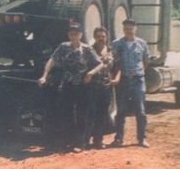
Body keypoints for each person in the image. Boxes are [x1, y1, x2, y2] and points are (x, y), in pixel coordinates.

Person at [38, 22, 103, 152]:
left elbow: (100, 64)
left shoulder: (87, 49)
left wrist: (90, 73)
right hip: (67, 84)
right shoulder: (63, 47)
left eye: (76, 33)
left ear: (81, 35)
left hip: (82, 86)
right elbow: (52, 60)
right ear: (69, 35)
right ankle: (66, 141)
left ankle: (80, 143)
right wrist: (44, 75)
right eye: (72, 33)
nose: (74, 36)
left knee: (81, 115)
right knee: (65, 114)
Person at [110, 18, 150, 148]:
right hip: (123, 80)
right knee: (121, 110)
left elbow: (145, 61)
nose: (129, 30)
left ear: (135, 29)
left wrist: (138, 72)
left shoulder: (142, 44)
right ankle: (118, 139)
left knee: (140, 110)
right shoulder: (116, 44)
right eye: (126, 28)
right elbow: (113, 62)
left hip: (138, 79)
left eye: (131, 28)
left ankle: (142, 139)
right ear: (123, 29)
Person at [88, 27, 121, 149]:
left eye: (103, 36)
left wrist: (116, 79)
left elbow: (117, 67)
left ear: (106, 37)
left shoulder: (112, 51)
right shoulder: (90, 50)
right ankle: (85, 140)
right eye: (98, 36)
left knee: (102, 114)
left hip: (106, 87)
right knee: (90, 113)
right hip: (92, 87)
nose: (101, 38)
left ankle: (98, 140)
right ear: (94, 37)